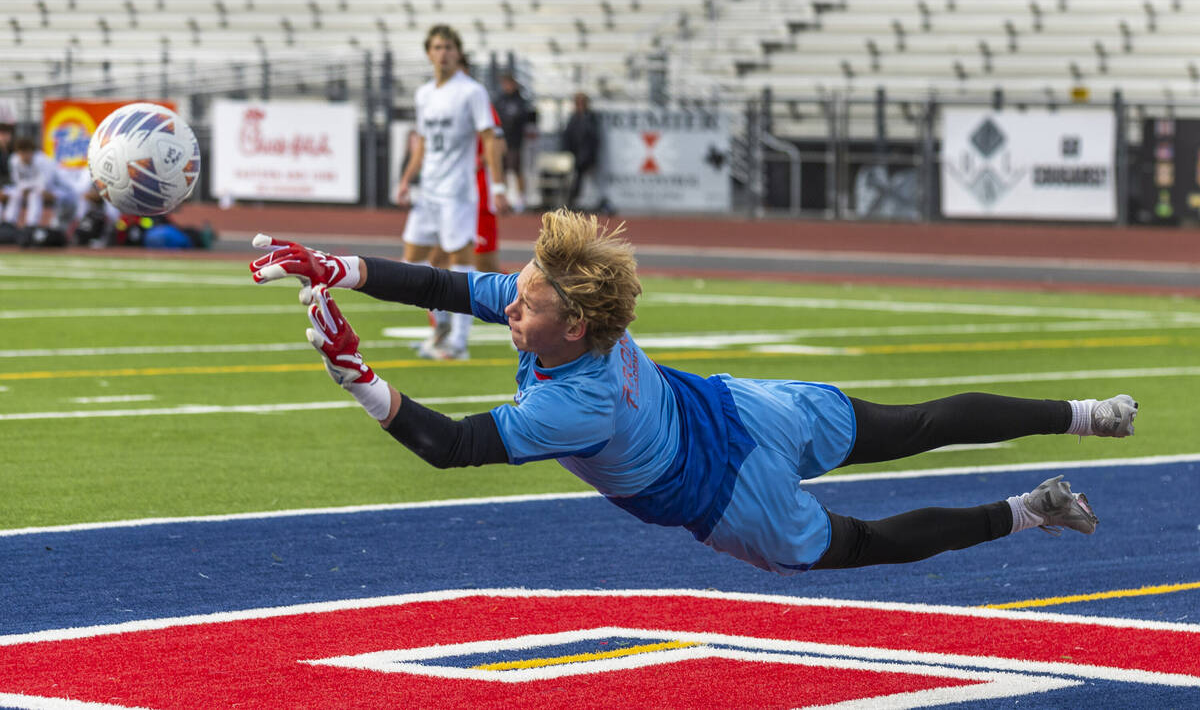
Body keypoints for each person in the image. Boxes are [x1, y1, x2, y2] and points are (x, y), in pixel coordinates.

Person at [249, 211, 1138, 576]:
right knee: (911, 426)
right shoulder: (564, 317)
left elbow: (449, 446)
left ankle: (1029, 511)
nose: (506, 303)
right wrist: (340, 266)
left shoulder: (575, 402)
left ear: (574, 329)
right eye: (516, 290)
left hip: (725, 494)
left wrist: (354, 373)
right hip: (739, 409)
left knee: (861, 542)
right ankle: (1086, 417)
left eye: (524, 302)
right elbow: (446, 288)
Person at [394, 24, 509, 361]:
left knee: (461, 267)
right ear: (429, 53)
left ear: (458, 52)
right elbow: (423, 144)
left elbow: (490, 138)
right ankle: (441, 323)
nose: (443, 53)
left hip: (458, 192)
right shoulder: (424, 94)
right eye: (437, 47)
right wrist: (406, 179)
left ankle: (459, 342)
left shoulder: (471, 91)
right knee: (411, 263)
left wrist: (498, 186)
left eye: (449, 47)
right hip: (428, 191)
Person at [493, 72, 536, 212]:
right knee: (502, 170)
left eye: (508, 84)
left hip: (515, 142)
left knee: (517, 170)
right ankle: (503, 199)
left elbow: (523, 120)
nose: (506, 87)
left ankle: (520, 199)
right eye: (504, 84)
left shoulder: (520, 101)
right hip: (501, 142)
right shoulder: (500, 101)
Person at [3, 137, 58, 229]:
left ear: (32, 152)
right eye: (22, 152)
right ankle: (9, 223)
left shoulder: (42, 160)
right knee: (14, 194)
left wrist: (27, 187)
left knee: (35, 195)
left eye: (27, 152)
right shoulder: (14, 160)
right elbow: (16, 180)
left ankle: (32, 225)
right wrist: (25, 188)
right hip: (28, 188)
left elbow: (45, 183)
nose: (24, 156)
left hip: (55, 188)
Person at [561, 92, 600, 210]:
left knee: (585, 179)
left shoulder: (591, 118)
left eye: (581, 102)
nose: (579, 105)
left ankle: (585, 202)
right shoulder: (573, 118)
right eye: (577, 103)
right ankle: (572, 201)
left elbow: (594, 138)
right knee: (575, 179)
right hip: (574, 154)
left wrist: (591, 155)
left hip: (587, 155)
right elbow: (567, 135)